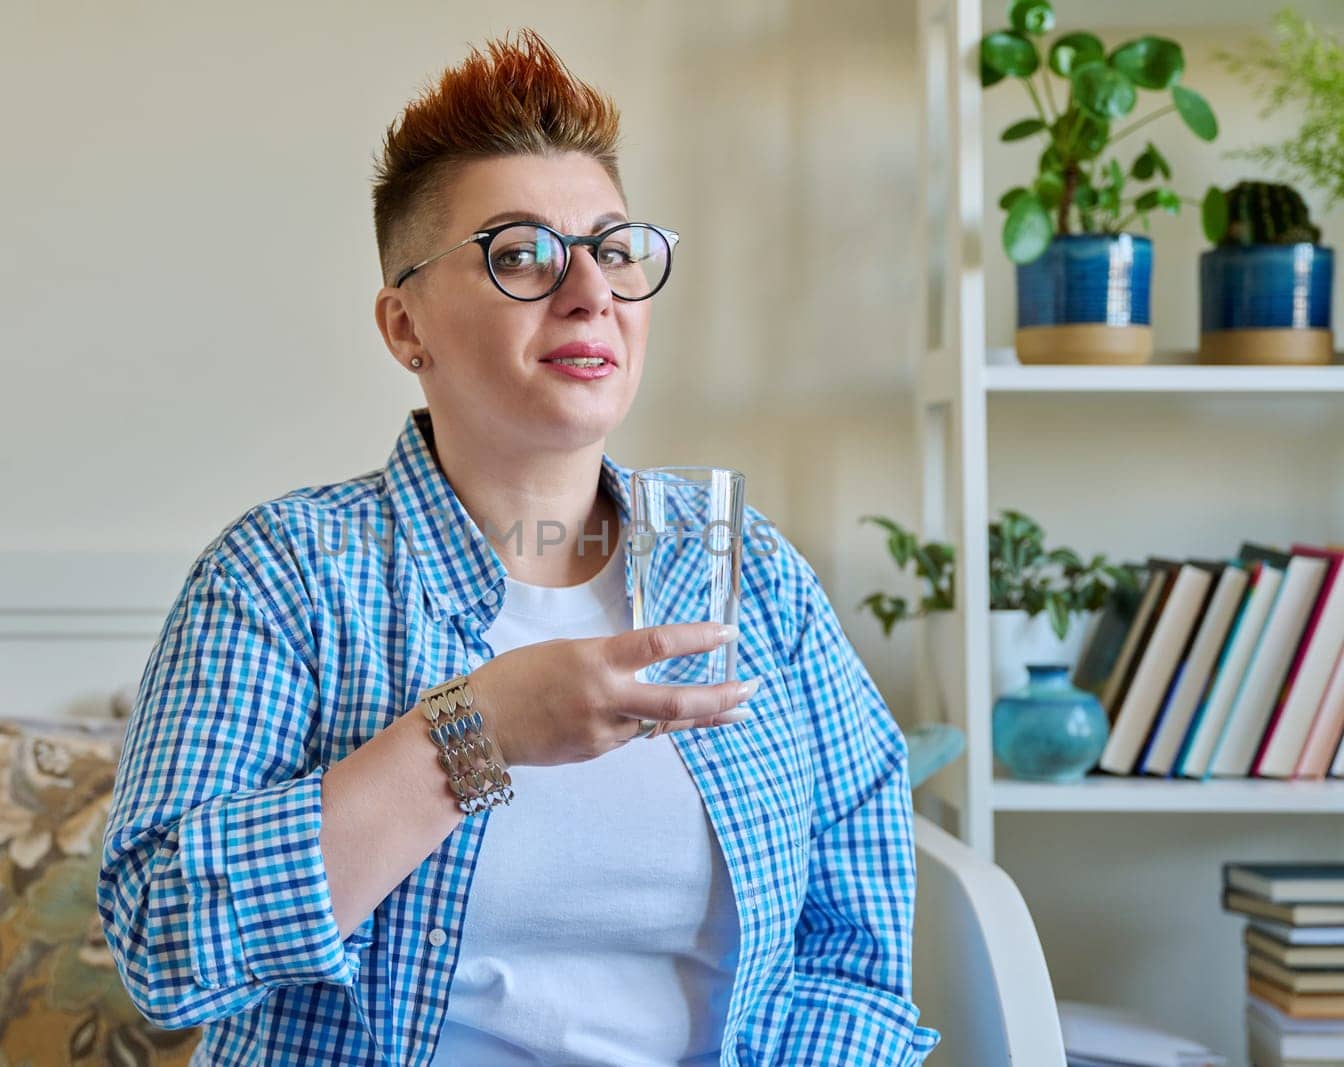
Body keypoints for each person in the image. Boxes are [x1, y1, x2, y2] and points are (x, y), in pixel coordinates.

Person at [99, 28, 940, 1067]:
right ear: (406, 326)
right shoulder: (286, 574)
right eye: (520, 254)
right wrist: (475, 730)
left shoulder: (750, 572)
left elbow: (850, 952)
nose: (589, 291)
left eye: (614, 249)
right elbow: (164, 942)